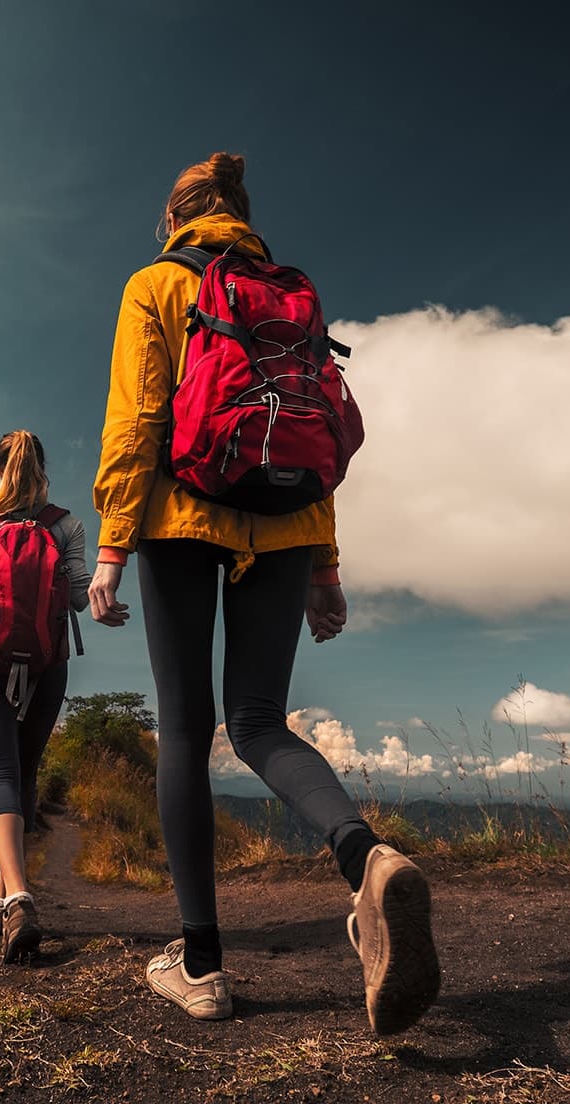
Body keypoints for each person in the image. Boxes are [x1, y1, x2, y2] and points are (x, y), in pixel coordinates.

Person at [89, 154, 440, 1032]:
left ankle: (202, 965)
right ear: (241, 214)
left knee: (183, 725)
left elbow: (137, 418)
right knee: (257, 721)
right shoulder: (293, 292)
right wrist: (324, 566)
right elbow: (312, 423)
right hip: (285, 518)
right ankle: (365, 859)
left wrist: (110, 545)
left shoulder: (157, 282)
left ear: (174, 219)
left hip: (178, 515)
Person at [0, 430, 90, 964]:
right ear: (42, 466)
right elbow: (75, 595)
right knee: (25, 771)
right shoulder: (66, 525)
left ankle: (14, 895)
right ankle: (9, 893)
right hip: (48, 668)